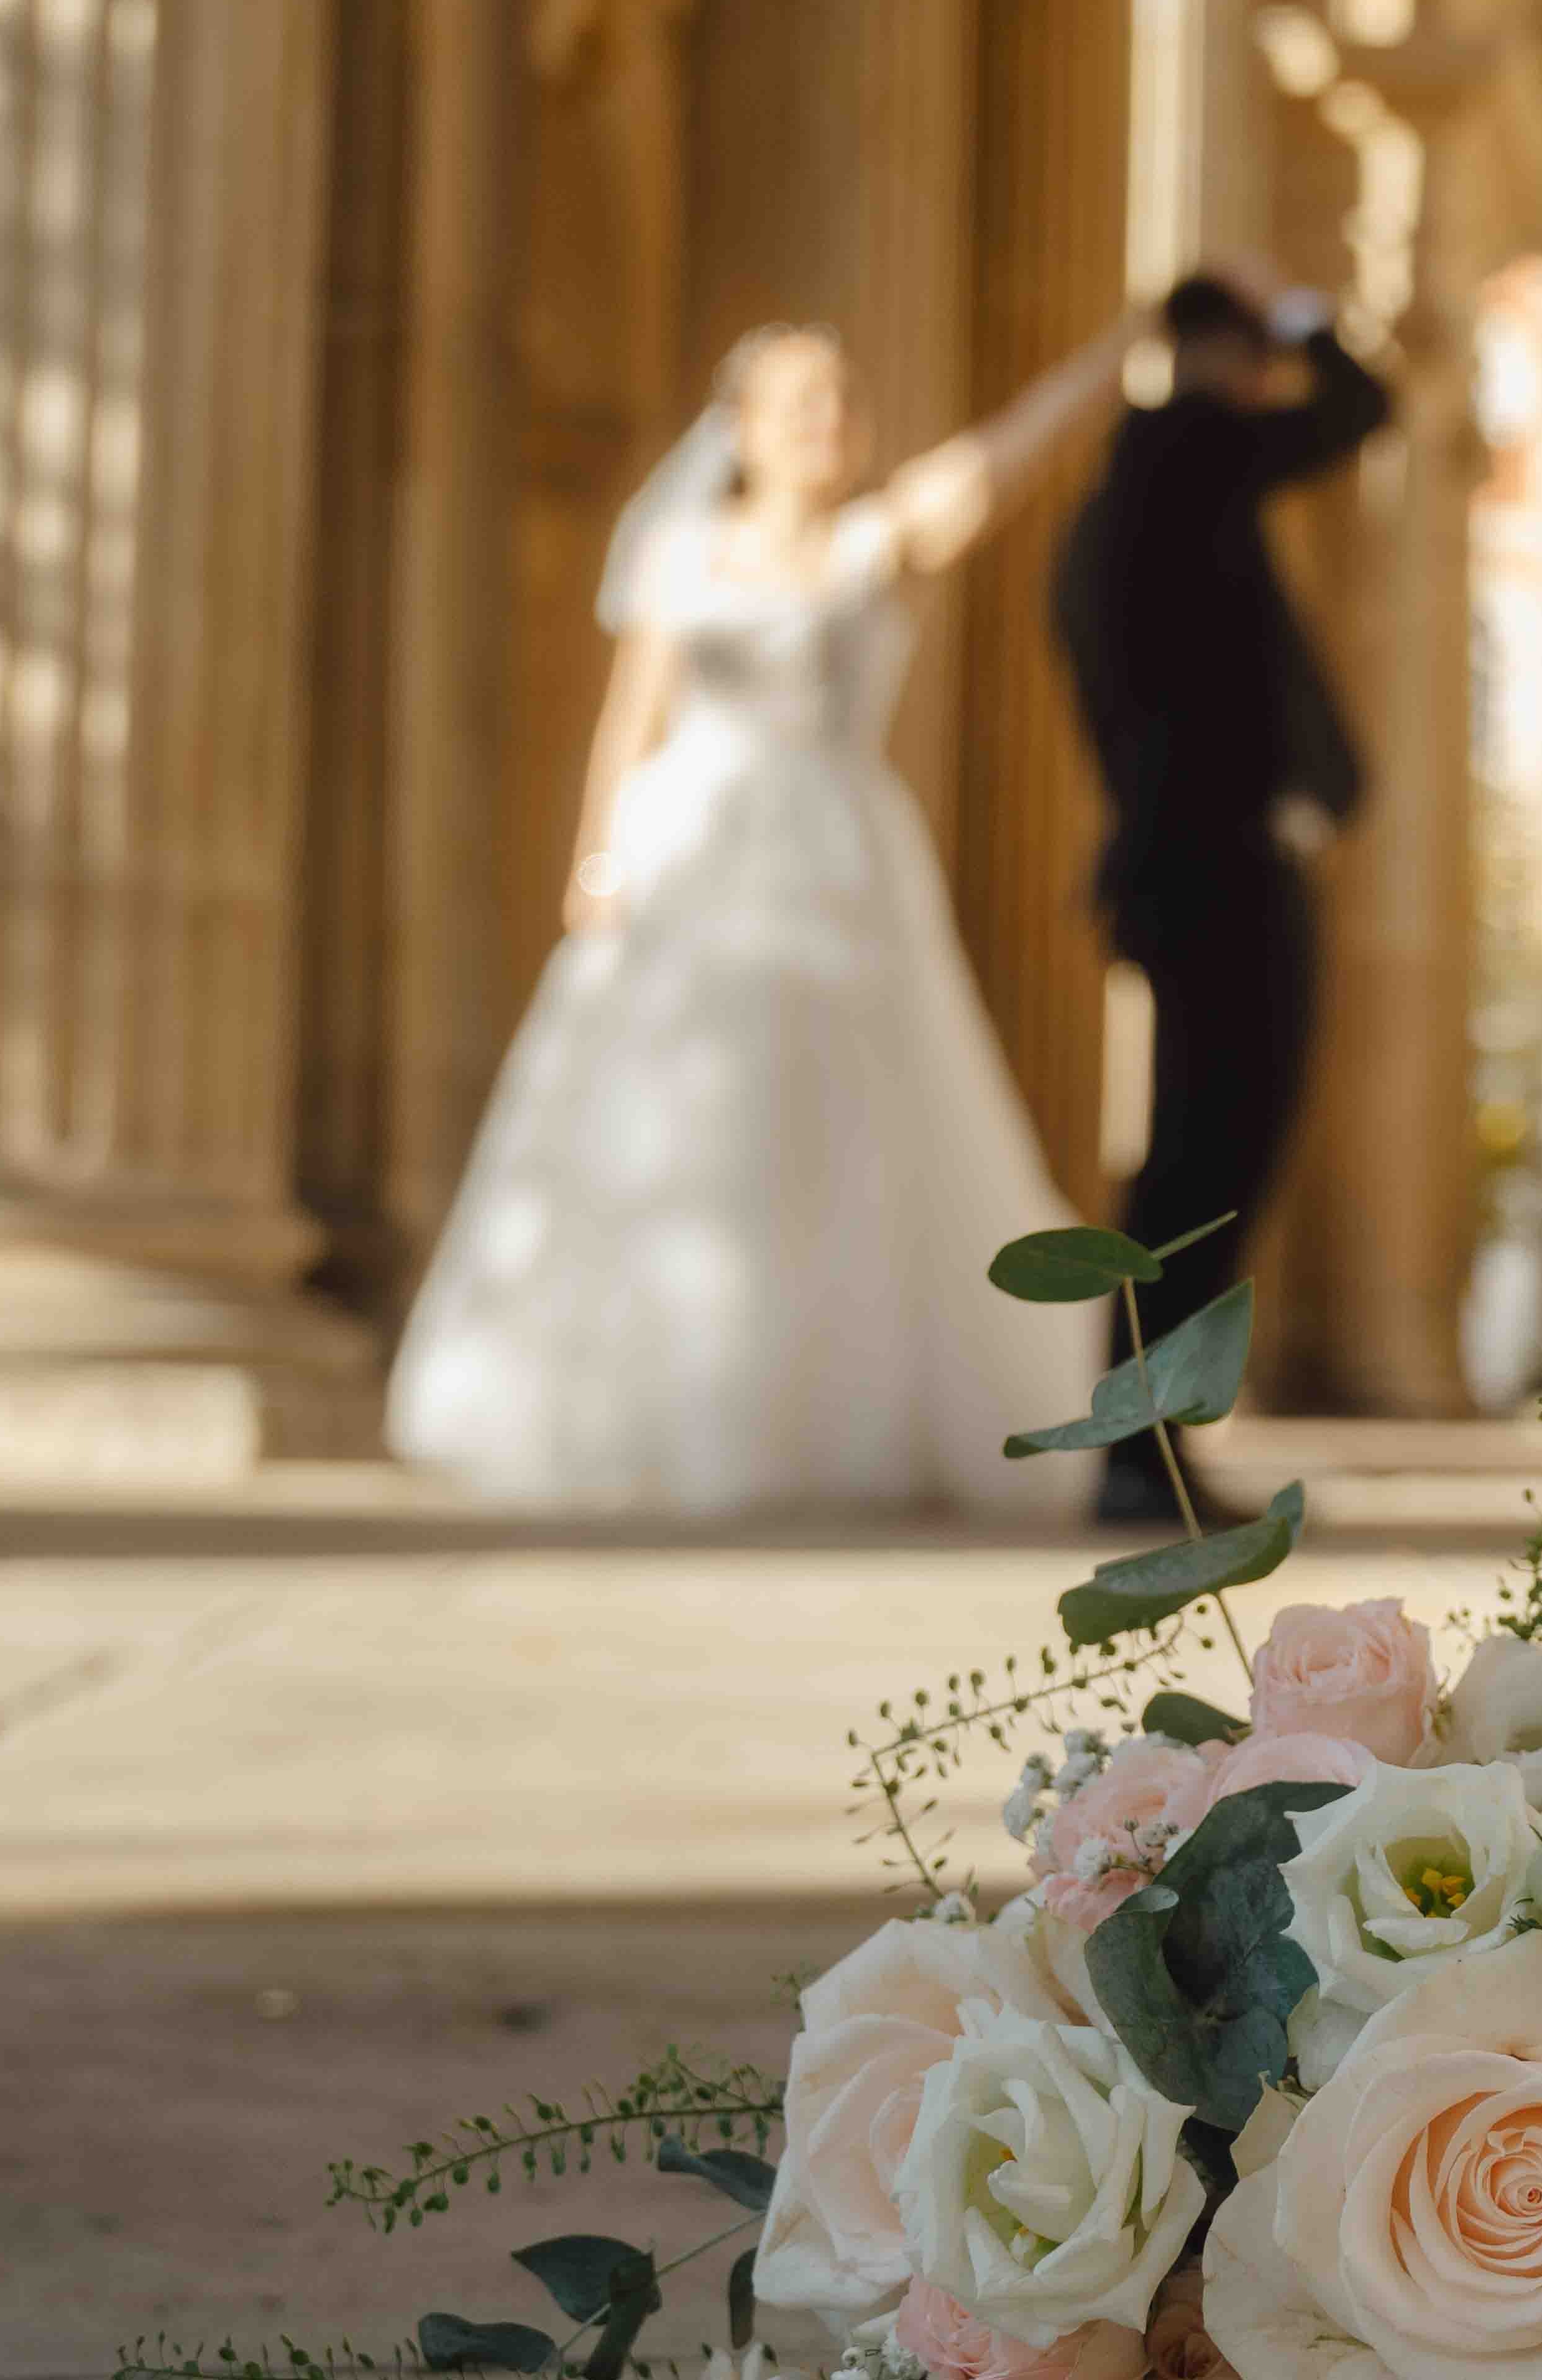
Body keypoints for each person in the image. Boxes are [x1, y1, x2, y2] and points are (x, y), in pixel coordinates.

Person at [388, 308, 1136, 1512]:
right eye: (800, 403)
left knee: (840, 1126)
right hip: (691, 849)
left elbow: (999, 464)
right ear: (743, 429)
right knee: (673, 1123)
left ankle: (829, 1413)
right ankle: (662, 1410)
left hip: (836, 861)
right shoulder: (682, 551)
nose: (826, 423)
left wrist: (1113, 359)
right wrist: (597, 860)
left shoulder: (873, 543)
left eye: (842, 400)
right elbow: (633, 717)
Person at [1051, 264, 1391, 1524]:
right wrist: (1305, 315)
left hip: (1189, 861)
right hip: (1214, 866)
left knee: (1204, 1158)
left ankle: (1149, 1439)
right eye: (1256, 356)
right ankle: (1140, 1445)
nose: (1270, 384)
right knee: (1207, 1157)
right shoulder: (1185, 452)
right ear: (1219, 357)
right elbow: (1361, 411)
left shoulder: (1141, 486)